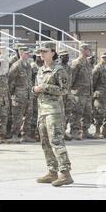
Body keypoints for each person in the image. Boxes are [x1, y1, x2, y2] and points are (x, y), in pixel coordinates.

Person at [33, 41, 73, 187]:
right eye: (40, 52)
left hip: (54, 111)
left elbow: (64, 90)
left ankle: (65, 173)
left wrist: (45, 87)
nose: (42, 54)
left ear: (52, 52)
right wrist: (35, 89)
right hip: (42, 110)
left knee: (56, 141)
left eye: (45, 51)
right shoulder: (41, 69)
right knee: (45, 143)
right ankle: (52, 171)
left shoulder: (59, 70)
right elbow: (38, 88)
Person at [68, 43, 94, 140]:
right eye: (88, 50)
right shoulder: (76, 63)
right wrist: (70, 91)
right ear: (83, 50)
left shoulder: (87, 63)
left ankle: (85, 131)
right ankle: (74, 131)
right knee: (77, 113)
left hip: (87, 93)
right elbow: (71, 78)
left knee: (88, 112)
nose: (90, 52)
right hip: (78, 93)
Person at [8, 46, 33, 144]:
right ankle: (15, 135)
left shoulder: (28, 65)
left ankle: (25, 135)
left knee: (29, 115)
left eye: (28, 53)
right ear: (21, 53)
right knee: (17, 116)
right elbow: (10, 81)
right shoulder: (16, 66)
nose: (28, 55)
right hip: (18, 95)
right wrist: (12, 94)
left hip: (28, 94)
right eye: (26, 53)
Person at [92, 52, 106, 139]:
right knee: (99, 113)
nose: (105, 59)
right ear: (100, 58)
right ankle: (97, 131)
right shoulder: (97, 68)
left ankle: (105, 130)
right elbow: (93, 81)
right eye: (103, 57)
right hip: (100, 94)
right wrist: (94, 92)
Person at [58, 50, 72, 141]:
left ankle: (64, 131)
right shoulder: (57, 67)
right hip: (59, 94)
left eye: (67, 56)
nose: (66, 58)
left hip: (67, 93)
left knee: (67, 113)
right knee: (59, 113)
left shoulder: (69, 68)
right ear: (60, 57)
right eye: (64, 56)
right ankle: (59, 132)